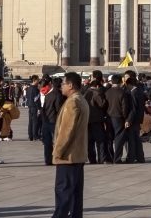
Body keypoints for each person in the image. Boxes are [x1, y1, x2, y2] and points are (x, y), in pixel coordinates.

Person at [52, 72, 90, 218]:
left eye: (63, 83)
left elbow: (67, 131)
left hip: (68, 156)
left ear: (71, 85)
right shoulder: (82, 100)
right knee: (75, 195)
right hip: (78, 155)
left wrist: (58, 151)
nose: (61, 86)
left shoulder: (72, 102)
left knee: (63, 193)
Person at [104, 74, 130, 164]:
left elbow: (104, 105)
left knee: (109, 138)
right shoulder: (122, 92)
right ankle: (117, 158)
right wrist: (126, 118)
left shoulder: (107, 92)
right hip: (119, 117)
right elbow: (125, 107)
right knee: (119, 138)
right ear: (120, 81)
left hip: (108, 117)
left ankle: (110, 157)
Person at [84, 78, 108, 164]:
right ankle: (101, 158)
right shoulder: (96, 93)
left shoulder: (85, 93)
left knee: (90, 141)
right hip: (96, 119)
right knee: (100, 140)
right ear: (97, 86)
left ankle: (92, 159)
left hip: (87, 120)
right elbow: (102, 104)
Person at [123, 71, 145, 163]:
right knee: (137, 139)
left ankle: (131, 158)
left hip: (133, 119)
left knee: (131, 139)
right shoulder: (139, 90)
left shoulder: (133, 92)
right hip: (138, 118)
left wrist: (129, 120)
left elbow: (133, 108)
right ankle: (140, 158)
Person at [42, 78, 63, 165]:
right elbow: (58, 109)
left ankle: (48, 160)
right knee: (58, 141)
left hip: (47, 121)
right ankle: (58, 158)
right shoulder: (58, 95)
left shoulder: (48, 95)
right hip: (54, 121)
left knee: (47, 142)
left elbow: (43, 109)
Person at [27, 75, 42, 140]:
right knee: (35, 121)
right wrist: (39, 108)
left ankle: (30, 135)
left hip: (30, 106)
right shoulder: (35, 89)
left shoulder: (29, 88)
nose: (38, 81)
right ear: (34, 80)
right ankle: (35, 135)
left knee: (30, 121)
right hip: (35, 107)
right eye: (38, 79)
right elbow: (36, 99)